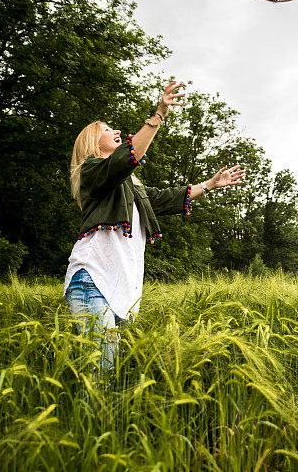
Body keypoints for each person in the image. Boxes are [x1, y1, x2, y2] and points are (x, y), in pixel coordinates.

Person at [64, 80, 245, 376]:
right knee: (100, 376)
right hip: (92, 281)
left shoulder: (131, 189)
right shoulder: (92, 173)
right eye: (108, 130)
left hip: (119, 288)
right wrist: (159, 113)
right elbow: (126, 160)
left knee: (109, 376)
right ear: (92, 143)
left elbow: (165, 197)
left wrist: (210, 184)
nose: (117, 132)